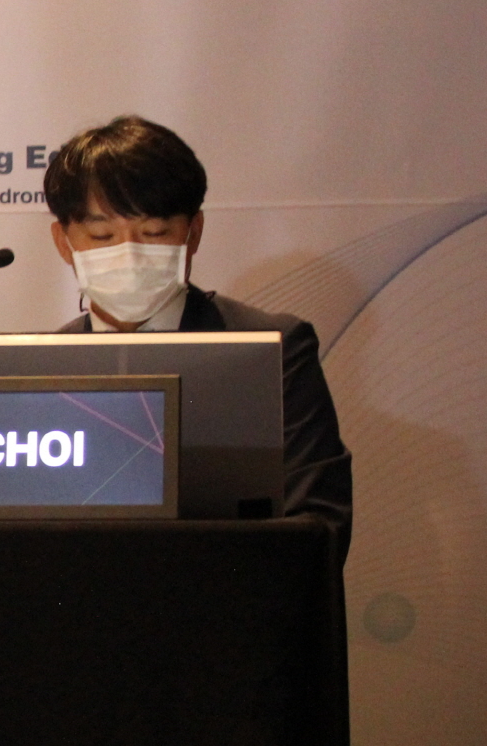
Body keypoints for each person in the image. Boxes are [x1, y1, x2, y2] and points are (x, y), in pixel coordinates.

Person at [44, 116, 353, 554]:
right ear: (64, 243)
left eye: (154, 232)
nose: (130, 254)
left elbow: (320, 523)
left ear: (194, 233)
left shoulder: (270, 350)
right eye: (102, 234)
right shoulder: (44, 366)